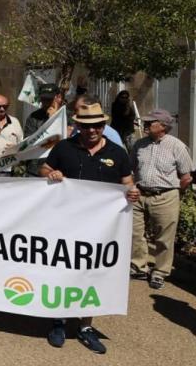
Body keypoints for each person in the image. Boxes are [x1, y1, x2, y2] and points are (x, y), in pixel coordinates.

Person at [39, 101, 139, 354]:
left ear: (103, 126)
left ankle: (85, 326)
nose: (91, 130)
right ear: (78, 126)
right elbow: (44, 168)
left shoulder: (118, 153)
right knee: (63, 269)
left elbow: (127, 182)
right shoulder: (64, 147)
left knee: (93, 273)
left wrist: (132, 192)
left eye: (96, 125)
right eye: (86, 126)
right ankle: (59, 321)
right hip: (65, 223)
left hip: (102, 228)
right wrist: (51, 175)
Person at [129, 108, 195, 289]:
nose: (146, 125)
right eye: (147, 122)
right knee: (135, 233)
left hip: (165, 196)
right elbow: (131, 168)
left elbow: (186, 176)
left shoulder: (177, 146)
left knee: (164, 238)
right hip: (140, 194)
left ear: (163, 126)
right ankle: (138, 266)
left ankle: (160, 271)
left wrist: (173, 193)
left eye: (151, 122)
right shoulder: (139, 144)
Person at [23, 84, 62, 175]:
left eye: (49, 99)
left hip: (59, 169)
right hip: (36, 168)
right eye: (44, 99)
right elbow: (30, 141)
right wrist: (48, 121)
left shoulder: (67, 116)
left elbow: (67, 140)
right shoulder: (33, 117)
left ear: (58, 98)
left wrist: (55, 119)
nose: (46, 103)